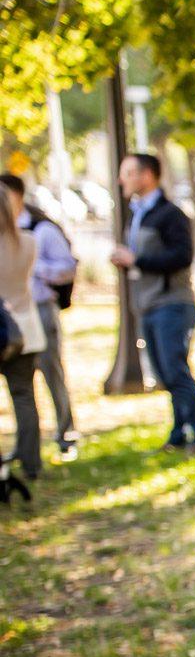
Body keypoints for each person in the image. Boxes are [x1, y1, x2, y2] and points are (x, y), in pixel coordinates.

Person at [111, 152, 195, 450]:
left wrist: (136, 259)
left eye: (127, 172)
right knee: (165, 374)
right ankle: (179, 434)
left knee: (176, 370)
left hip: (172, 304)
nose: (121, 179)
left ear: (147, 175)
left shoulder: (170, 215)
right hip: (148, 304)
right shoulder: (138, 213)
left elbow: (183, 256)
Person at [3, 174, 78, 458]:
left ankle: (65, 432)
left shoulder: (40, 230)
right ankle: (29, 456)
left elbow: (66, 267)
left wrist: (37, 271)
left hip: (38, 311)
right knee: (23, 390)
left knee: (51, 373)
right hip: (16, 318)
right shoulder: (23, 236)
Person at [1, 216, 45, 499]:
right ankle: (31, 461)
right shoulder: (28, 242)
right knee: (25, 397)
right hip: (26, 326)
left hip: (3, 326)